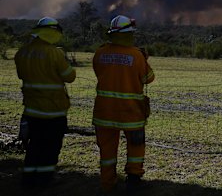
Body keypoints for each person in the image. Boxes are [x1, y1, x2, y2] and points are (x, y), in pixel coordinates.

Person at [92, 15, 155, 193]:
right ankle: (134, 180)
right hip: (131, 113)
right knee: (136, 146)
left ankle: (107, 183)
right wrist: (144, 59)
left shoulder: (100, 53)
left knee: (107, 151)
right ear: (129, 35)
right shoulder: (136, 55)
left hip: (104, 113)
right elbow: (149, 79)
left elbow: (99, 72)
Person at [14, 17, 77, 186]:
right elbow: (69, 77)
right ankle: (44, 179)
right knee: (50, 147)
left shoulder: (22, 52)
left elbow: (22, 75)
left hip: (31, 110)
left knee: (34, 145)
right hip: (53, 110)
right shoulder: (54, 53)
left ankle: (28, 179)